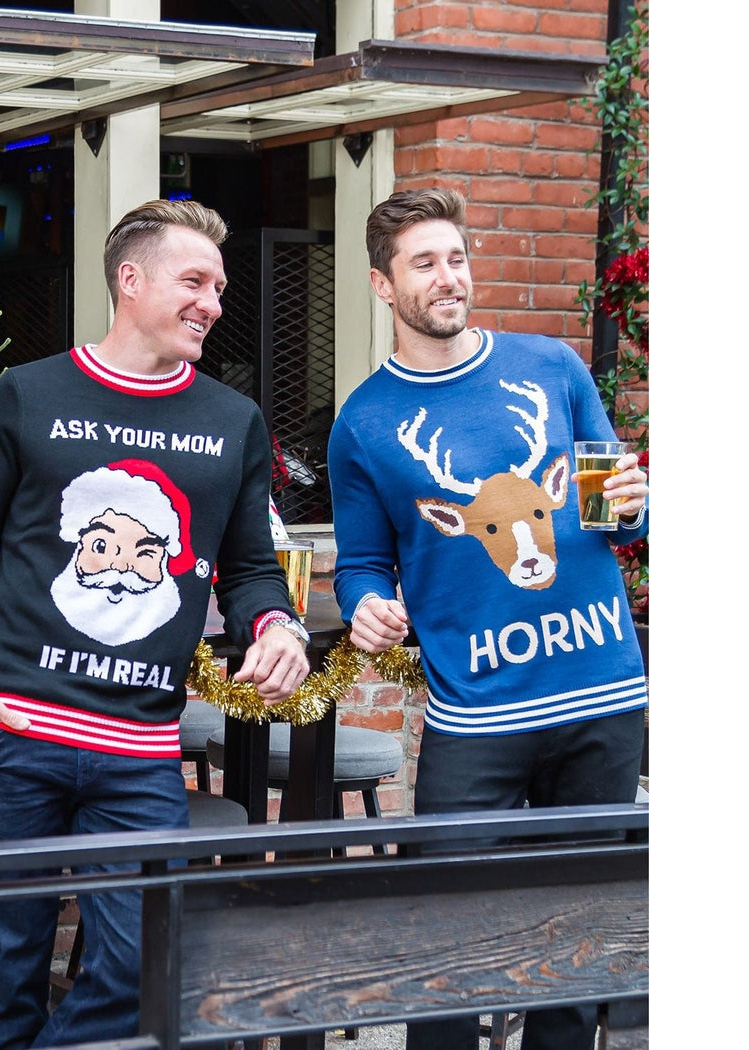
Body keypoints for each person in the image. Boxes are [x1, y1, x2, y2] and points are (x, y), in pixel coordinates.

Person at [0, 198, 311, 1049]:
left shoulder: (232, 421)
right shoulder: (28, 395)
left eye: (218, 289)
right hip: (13, 735)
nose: (212, 304)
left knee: (141, 969)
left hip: (140, 750)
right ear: (130, 280)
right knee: (8, 979)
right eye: (195, 282)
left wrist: (277, 626)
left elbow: (250, 565)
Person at [327, 187, 648, 1050]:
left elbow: (615, 511)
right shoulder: (363, 424)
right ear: (383, 285)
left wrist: (635, 500)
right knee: (450, 947)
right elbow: (362, 563)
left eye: (457, 258)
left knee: (577, 947)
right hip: (477, 716)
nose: (449, 277)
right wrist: (365, 605)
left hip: (601, 698)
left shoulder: (554, 368)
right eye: (424, 264)